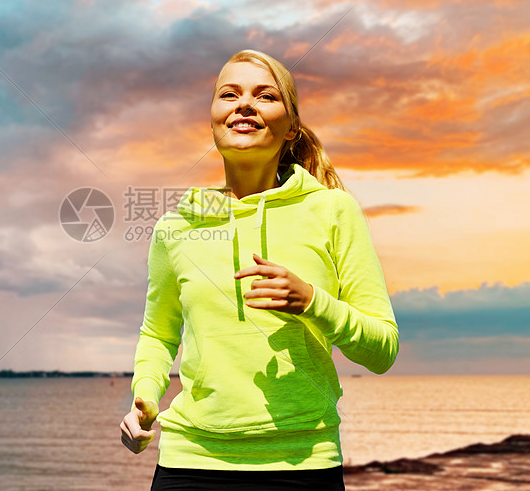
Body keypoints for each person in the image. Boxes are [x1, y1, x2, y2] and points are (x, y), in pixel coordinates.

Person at [119, 49, 399, 490]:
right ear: (213, 119)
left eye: (264, 95)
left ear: (291, 127)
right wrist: (145, 396)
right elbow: (158, 334)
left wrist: (312, 302)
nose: (244, 104)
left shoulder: (332, 210)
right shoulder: (176, 227)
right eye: (229, 94)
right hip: (189, 463)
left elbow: (382, 351)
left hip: (303, 465)